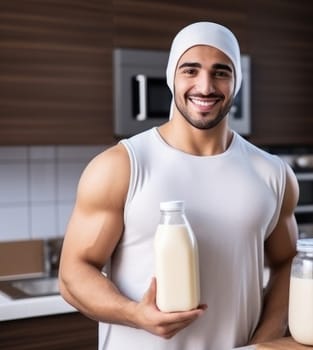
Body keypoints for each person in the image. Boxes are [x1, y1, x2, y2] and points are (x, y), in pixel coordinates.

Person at [58, 21, 299, 350]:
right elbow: (73, 274)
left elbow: (289, 263)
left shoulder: (272, 173)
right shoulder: (121, 166)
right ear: (172, 76)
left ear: (236, 81)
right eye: (191, 70)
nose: (205, 86)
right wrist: (135, 314)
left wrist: (265, 340)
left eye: (220, 72)